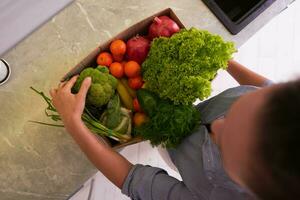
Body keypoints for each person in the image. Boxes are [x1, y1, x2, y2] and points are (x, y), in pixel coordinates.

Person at [50, 60, 300, 200]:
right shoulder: (287, 107)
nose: (216, 124)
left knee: (168, 150)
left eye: (223, 141)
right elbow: (265, 85)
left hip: (179, 152)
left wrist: (74, 123)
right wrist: (224, 60)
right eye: (233, 111)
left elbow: (132, 179)